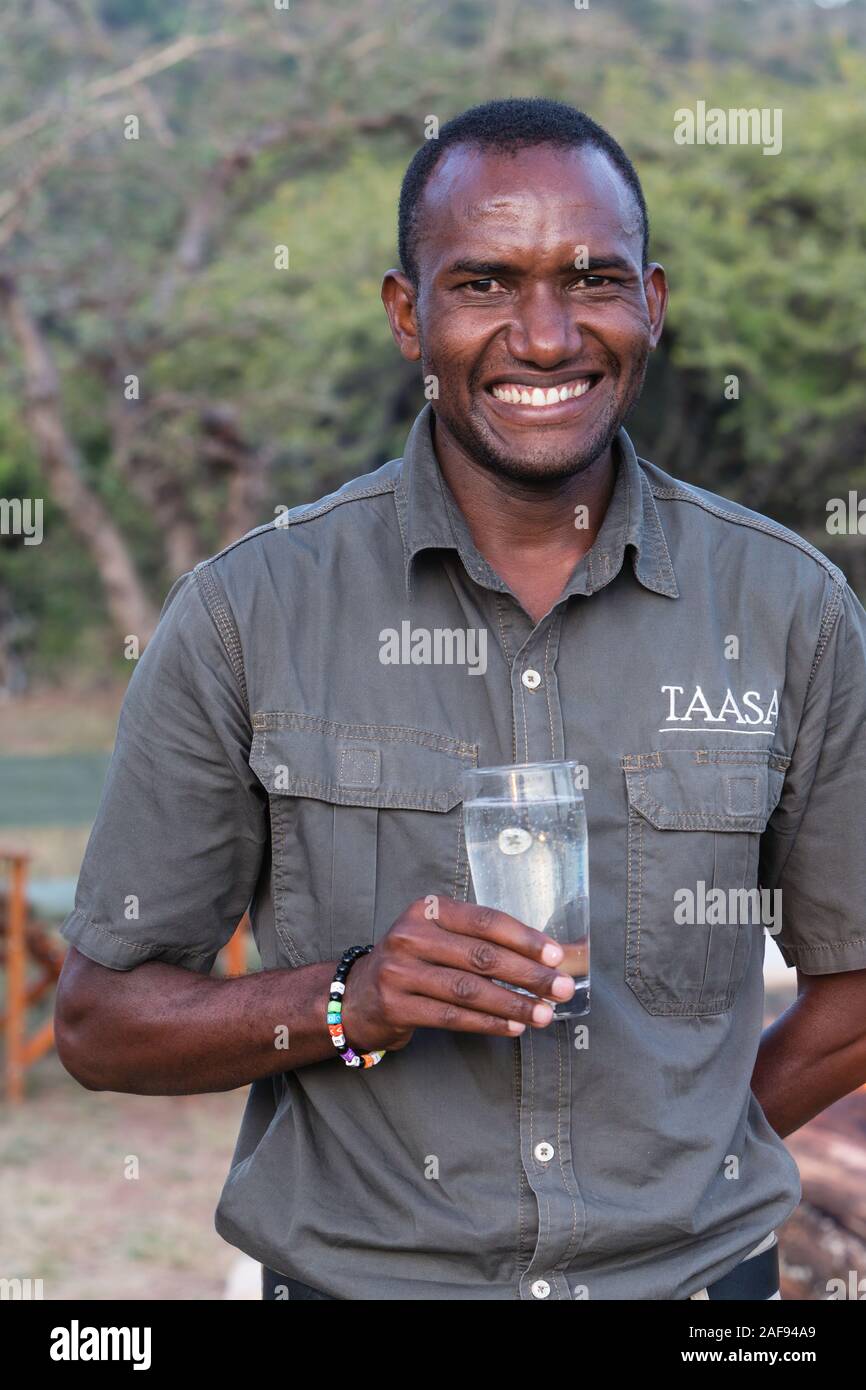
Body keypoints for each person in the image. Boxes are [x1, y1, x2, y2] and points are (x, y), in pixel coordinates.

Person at [55, 98, 866, 1302]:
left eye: (589, 279)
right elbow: (101, 1021)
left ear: (649, 300)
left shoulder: (790, 608)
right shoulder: (247, 613)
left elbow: (853, 983)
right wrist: (351, 999)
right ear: (407, 315)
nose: (544, 337)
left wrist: (685, 1152)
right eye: (484, 284)